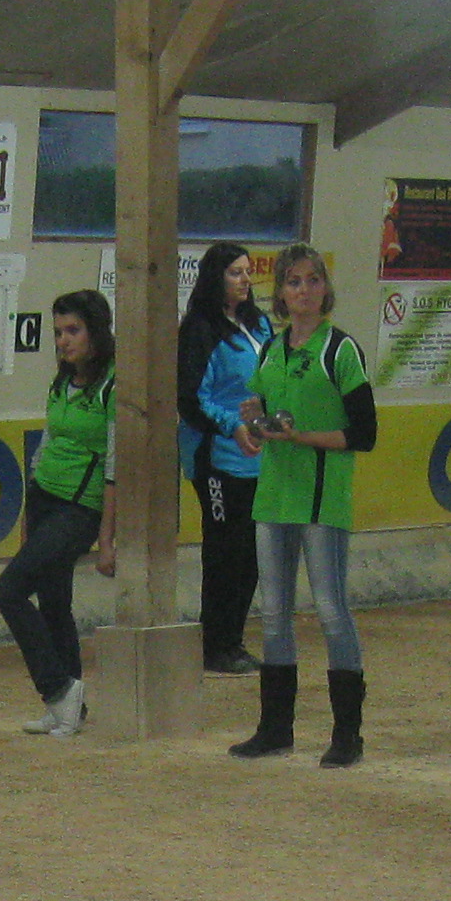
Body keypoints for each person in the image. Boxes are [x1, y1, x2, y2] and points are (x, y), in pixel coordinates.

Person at [228, 244, 376, 768]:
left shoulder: (341, 351)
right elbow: (262, 417)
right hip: (274, 495)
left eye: (313, 280)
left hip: (320, 499)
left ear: (324, 289)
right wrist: (254, 423)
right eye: (293, 281)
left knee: (331, 611)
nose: (304, 290)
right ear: (282, 293)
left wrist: (300, 437)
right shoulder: (271, 350)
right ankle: (275, 729)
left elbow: (364, 433)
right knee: (273, 615)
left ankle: (347, 735)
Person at [0, 289, 115, 739]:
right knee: (54, 603)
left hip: (79, 509)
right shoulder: (62, 383)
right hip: (44, 499)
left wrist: (106, 537)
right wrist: (29, 511)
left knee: (8, 592)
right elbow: (45, 447)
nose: (63, 341)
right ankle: (71, 710)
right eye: (58, 332)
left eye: (73, 330)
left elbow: (116, 465)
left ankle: (58, 688)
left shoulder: (112, 387)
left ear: (96, 332)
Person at [176, 242, 269, 674]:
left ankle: (233, 639)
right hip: (217, 455)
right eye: (235, 272)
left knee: (251, 549)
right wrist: (232, 424)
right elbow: (192, 398)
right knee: (224, 548)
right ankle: (214, 644)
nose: (245, 280)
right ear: (216, 278)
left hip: (259, 456)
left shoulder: (259, 323)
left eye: (248, 271)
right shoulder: (199, 329)